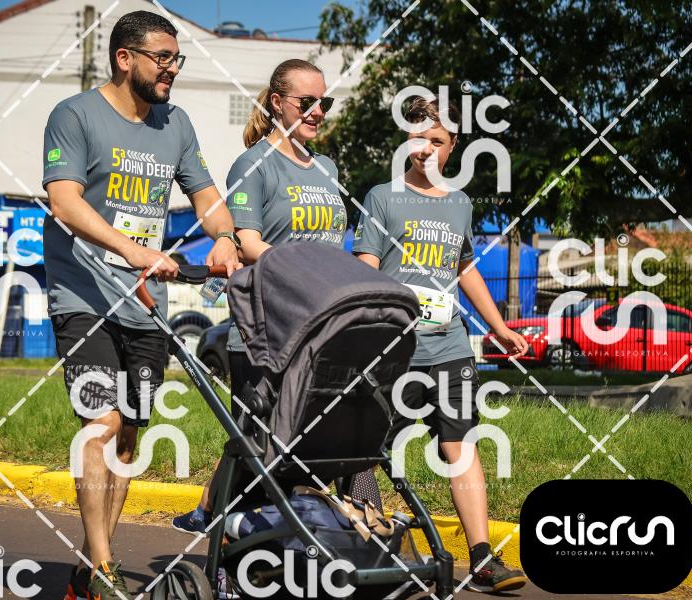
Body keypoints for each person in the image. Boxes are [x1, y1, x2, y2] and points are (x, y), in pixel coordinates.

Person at [42, 11, 240, 600]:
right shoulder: (75, 115)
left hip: (142, 303)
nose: (172, 69)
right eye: (163, 58)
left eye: (177, 59)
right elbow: (64, 202)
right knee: (101, 423)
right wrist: (134, 252)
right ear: (125, 58)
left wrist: (225, 237)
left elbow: (205, 195)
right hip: (83, 294)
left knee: (128, 437)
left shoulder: (175, 124)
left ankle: (88, 571)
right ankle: (104, 568)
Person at [172, 58, 386, 535]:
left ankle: (354, 525)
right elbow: (246, 241)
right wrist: (305, 273)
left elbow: (333, 244)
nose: (317, 112)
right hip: (268, 329)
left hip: (323, 324)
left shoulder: (327, 168)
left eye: (324, 102)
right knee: (259, 439)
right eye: (306, 102)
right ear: (277, 103)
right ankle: (222, 528)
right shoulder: (253, 165)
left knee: (322, 432)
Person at [353, 96, 529, 593]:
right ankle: (368, 543)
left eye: (437, 140)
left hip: (450, 347)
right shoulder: (382, 197)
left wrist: (497, 326)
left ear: (452, 148)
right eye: (418, 138)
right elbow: (366, 266)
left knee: (461, 443)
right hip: (393, 350)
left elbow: (463, 267)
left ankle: (482, 559)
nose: (426, 148)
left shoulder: (460, 202)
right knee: (366, 447)